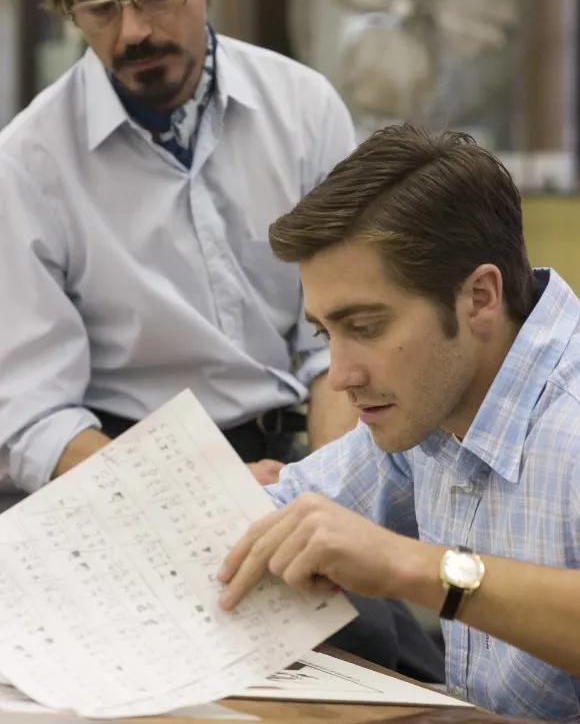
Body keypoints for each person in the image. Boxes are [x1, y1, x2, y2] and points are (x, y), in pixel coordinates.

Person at [0, 0, 444, 684]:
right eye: (100, 6)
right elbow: (35, 417)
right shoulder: (27, 164)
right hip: (123, 479)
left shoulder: (302, 108)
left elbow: (339, 344)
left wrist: (323, 493)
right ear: (67, 9)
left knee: (399, 666)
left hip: (299, 458)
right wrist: (196, 493)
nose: (133, 30)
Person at [217, 123, 580, 720]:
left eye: (366, 327)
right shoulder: (429, 405)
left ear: (480, 297)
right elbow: (280, 511)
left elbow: (391, 559)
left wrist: (409, 565)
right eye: (325, 334)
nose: (339, 376)